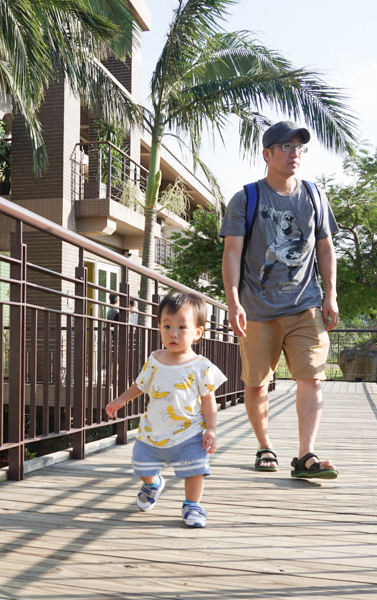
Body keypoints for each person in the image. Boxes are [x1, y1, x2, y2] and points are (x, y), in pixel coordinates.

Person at [219, 120, 340, 479]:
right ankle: (264, 446)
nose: (294, 153)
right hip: (257, 306)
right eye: (286, 147)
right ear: (267, 154)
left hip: (305, 304)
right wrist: (233, 301)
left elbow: (325, 247)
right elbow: (231, 253)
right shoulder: (246, 198)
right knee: (257, 383)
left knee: (313, 378)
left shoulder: (315, 195)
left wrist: (330, 295)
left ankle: (306, 455)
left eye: (299, 147)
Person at [105, 292, 227, 528]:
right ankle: (152, 484)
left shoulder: (201, 366)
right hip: (153, 431)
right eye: (167, 326)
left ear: (197, 333)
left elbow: (208, 400)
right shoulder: (155, 359)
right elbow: (140, 385)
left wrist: (211, 428)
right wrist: (121, 400)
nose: (173, 333)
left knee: (194, 472)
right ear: (159, 327)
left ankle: (192, 504)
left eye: (182, 327)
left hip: (189, 432)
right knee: (142, 467)